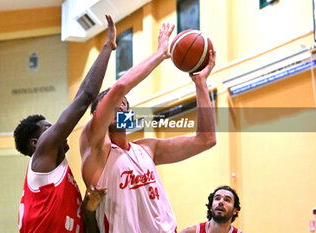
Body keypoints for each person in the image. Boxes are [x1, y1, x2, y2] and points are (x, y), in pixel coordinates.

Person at [79, 21, 217, 233]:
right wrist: (161, 53)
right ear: (99, 115)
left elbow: (206, 139)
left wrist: (200, 83)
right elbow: (119, 88)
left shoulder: (147, 149)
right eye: (111, 104)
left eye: (123, 103)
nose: (119, 104)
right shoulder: (94, 147)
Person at [13, 14, 116, 233]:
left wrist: (89, 210)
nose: (58, 129)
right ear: (35, 142)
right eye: (49, 128)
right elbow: (85, 95)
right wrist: (107, 46)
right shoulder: (44, 154)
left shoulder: (60, 176)